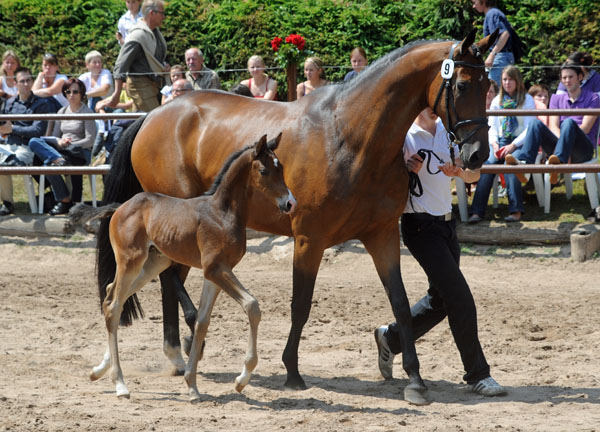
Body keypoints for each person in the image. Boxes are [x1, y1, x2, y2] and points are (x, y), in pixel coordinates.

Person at [374, 108, 506, 398]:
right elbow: (381, 175)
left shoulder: (447, 131)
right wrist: (405, 169)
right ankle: (478, 375)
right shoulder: (405, 133)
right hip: (419, 227)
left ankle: (391, 338)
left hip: (447, 224)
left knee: (441, 300)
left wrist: (459, 172)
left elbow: (474, 175)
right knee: (460, 298)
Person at [506, 62, 600, 185]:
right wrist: (563, 144)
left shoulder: (593, 98)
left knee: (568, 123)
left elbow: (586, 128)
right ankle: (525, 164)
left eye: (570, 77)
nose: (567, 81)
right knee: (535, 123)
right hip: (559, 148)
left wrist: (565, 141)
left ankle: (558, 164)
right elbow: (553, 126)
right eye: (564, 78)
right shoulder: (556, 98)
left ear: (580, 77)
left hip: (582, 149)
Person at [470, 66, 535, 223]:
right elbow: (492, 126)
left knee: (510, 164)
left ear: (518, 81)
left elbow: (529, 129)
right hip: (498, 141)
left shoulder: (527, 100)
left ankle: (516, 210)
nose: (507, 83)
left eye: (511, 79)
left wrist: (512, 145)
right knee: (487, 165)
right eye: (505, 79)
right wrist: (494, 143)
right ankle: (477, 212)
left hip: (518, 143)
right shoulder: (497, 101)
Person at [28, 78, 97, 215]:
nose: (71, 94)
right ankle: (58, 160)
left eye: (75, 91)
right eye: (68, 91)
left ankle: (64, 201)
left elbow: (90, 140)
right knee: (34, 141)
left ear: (81, 93)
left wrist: (71, 144)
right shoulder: (61, 112)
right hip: (62, 151)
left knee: (49, 166)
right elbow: (55, 136)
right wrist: (59, 142)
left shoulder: (87, 112)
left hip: (79, 151)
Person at [0, 67, 51, 215]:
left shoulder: (41, 104)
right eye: (22, 81)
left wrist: (12, 129)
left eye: (29, 80)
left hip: (27, 147)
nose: (26, 84)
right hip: (8, 145)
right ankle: (7, 202)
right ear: (16, 83)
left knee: (7, 162)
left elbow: (37, 130)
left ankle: (8, 160)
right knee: (2, 163)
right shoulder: (9, 104)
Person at [107, 0, 168, 113]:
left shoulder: (155, 33)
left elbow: (154, 59)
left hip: (154, 85)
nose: (164, 17)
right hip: (140, 85)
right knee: (156, 117)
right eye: (162, 13)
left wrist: (163, 66)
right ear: (152, 13)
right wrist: (117, 93)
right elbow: (121, 65)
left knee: (139, 123)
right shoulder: (137, 36)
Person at [472, 0, 516, 87]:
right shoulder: (492, 14)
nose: (473, 6)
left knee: (494, 89)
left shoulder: (492, 14)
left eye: (474, 2)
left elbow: (505, 34)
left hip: (501, 57)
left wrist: (492, 54)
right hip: (502, 56)